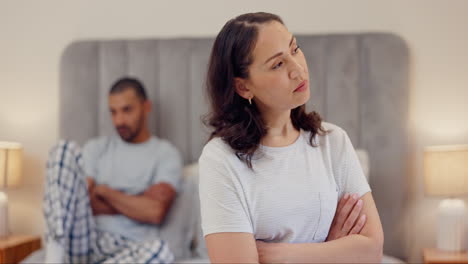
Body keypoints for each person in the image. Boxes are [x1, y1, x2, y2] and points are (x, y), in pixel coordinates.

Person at [199, 12, 384, 263]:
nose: (298, 70)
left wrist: (276, 254)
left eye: (295, 49)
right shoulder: (221, 159)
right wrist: (332, 249)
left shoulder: (333, 142)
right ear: (243, 87)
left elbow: (371, 251)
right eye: (277, 64)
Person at [43, 77, 182, 263]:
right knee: (63, 149)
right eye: (113, 112)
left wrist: (103, 190)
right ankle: (53, 256)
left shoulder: (165, 153)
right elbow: (77, 201)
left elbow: (154, 211)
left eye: (127, 110)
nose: (119, 121)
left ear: (146, 107)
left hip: (131, 248)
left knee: (161, 252)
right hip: (85, 239)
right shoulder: (96, 148)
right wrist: (136, 200)